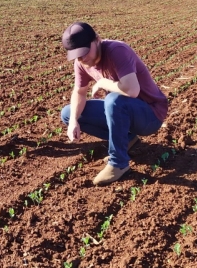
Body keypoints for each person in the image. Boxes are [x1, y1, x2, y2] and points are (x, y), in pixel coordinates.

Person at [60, 22, 168, 185]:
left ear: (97, 40)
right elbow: (79, 92)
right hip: (126, 111)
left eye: (84, 52)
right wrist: (74, 121)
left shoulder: (117, 51)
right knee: (69, 113)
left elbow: (132, 90)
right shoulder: (81, 62)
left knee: (113, 100)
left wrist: (103, 82)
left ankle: (118, 164)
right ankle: (128, 139)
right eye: (76, 55)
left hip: (150, 114)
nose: (82, 58)